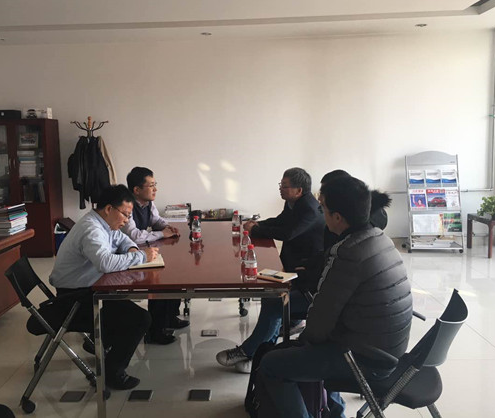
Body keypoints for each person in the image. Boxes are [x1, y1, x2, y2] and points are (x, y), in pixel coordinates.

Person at [256, 176, 413, 418]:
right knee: (315, 347)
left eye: (324, 208)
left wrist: (303, 345)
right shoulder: (380, 238)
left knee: (271, 365)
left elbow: (320, 321)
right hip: (389, 350)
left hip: (365, 359)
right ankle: (333, 412)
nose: (321, 213)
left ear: (337, 217)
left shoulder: (348, 253)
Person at [49, 185, 159, 390]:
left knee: (126, 305)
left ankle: (101, 341)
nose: (126, 220)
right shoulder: (91, 229)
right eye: (125, 214)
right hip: (74, 300)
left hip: (88, 289)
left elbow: (121, 238)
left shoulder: (103, 223)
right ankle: (112, 374)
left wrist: (132, 248)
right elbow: (105, 263)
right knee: (140, 319)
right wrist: (141, 256)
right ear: (109, 209)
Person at [216, 167, 325, 372]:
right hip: (293, 262)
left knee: (272, 298)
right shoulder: (293, 203)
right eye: (280, 185)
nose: (280, 189)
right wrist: (257, 224)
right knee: (270, 295)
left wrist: (257, 229)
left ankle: (250, 352)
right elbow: (281, 221)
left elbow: (289, 233)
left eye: (285, 186)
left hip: (306, 269)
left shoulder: (310, 209)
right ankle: (262, 351)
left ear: (299, 190)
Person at [123, 166, 189, 345]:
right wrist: (161, 234)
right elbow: (134, 236)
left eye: (155, 184)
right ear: (136, 190)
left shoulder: (148, 203)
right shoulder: (127, 206)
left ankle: (170, 317)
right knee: (158, 280)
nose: (155, 189)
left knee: (173, 271)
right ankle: (155, 330)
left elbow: (156, 220)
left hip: (142, 251)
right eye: (151, 185)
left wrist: (167, 226)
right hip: (128, 256)